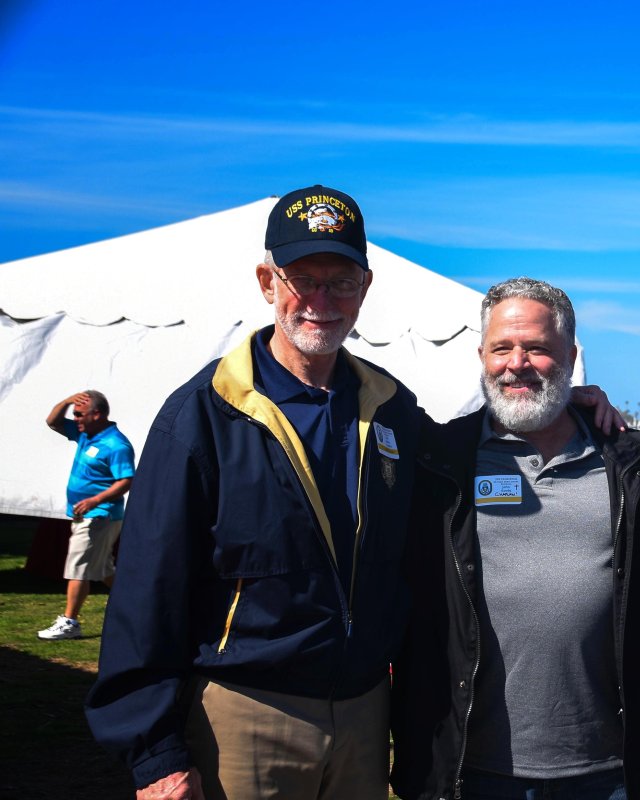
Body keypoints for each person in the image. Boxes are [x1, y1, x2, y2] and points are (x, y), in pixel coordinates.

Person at [84, 185, 421, 799]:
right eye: (303, 280)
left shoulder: (392, 408)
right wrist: (154, 753)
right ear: (268, 282)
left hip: (365, 716)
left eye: (341, 282)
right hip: (246, 716)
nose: (321, 301)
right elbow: (147, 586)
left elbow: (465, 463)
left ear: (365, 288)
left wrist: (569, 414)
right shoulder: (203, 415)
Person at [391, 278, 640, 800]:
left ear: (571, 357)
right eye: (501, 348)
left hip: (609, 773)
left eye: (537, 348)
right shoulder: (437, 462)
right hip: (469, 771)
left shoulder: (637, 466)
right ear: (481, 355)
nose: (516, 364)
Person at [38, 390, 135, 640]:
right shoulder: (85, 434)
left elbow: (126, 480)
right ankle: (137, 605)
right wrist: (67, 400)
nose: (76, 419)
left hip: (100, 515)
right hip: (86, 514)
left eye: (80, 414)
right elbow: (53, 422)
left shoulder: (116, 445)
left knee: (78, 567)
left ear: (97, 414)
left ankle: (70, 622)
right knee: (104, 570)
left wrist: (95, 500)